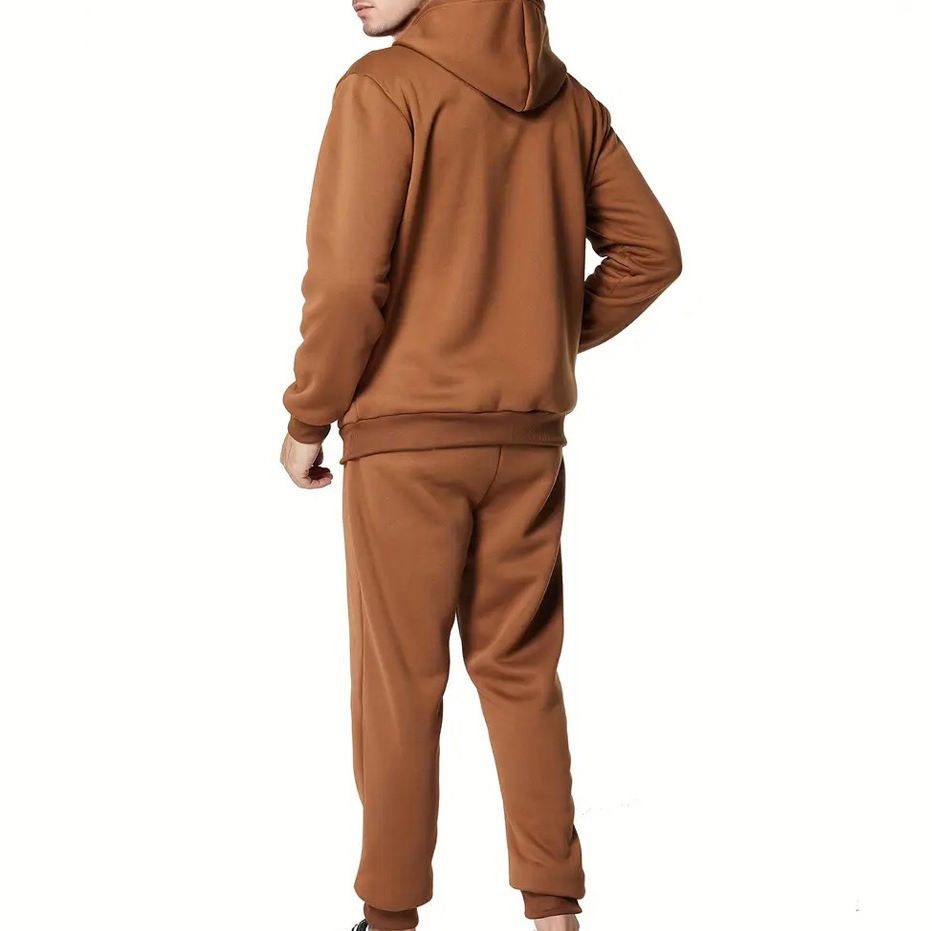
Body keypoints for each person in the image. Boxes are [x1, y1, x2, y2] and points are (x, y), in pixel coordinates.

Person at [280, 1, 681, 928]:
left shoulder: (383, 89)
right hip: (527, 443)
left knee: (400, 683)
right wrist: (533, 336)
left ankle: (388, 917)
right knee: (521, 671)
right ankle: (554, 909)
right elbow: (650, 252)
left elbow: (347, 282)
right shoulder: (570, 105)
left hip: (406, 445)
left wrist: (308, 416)